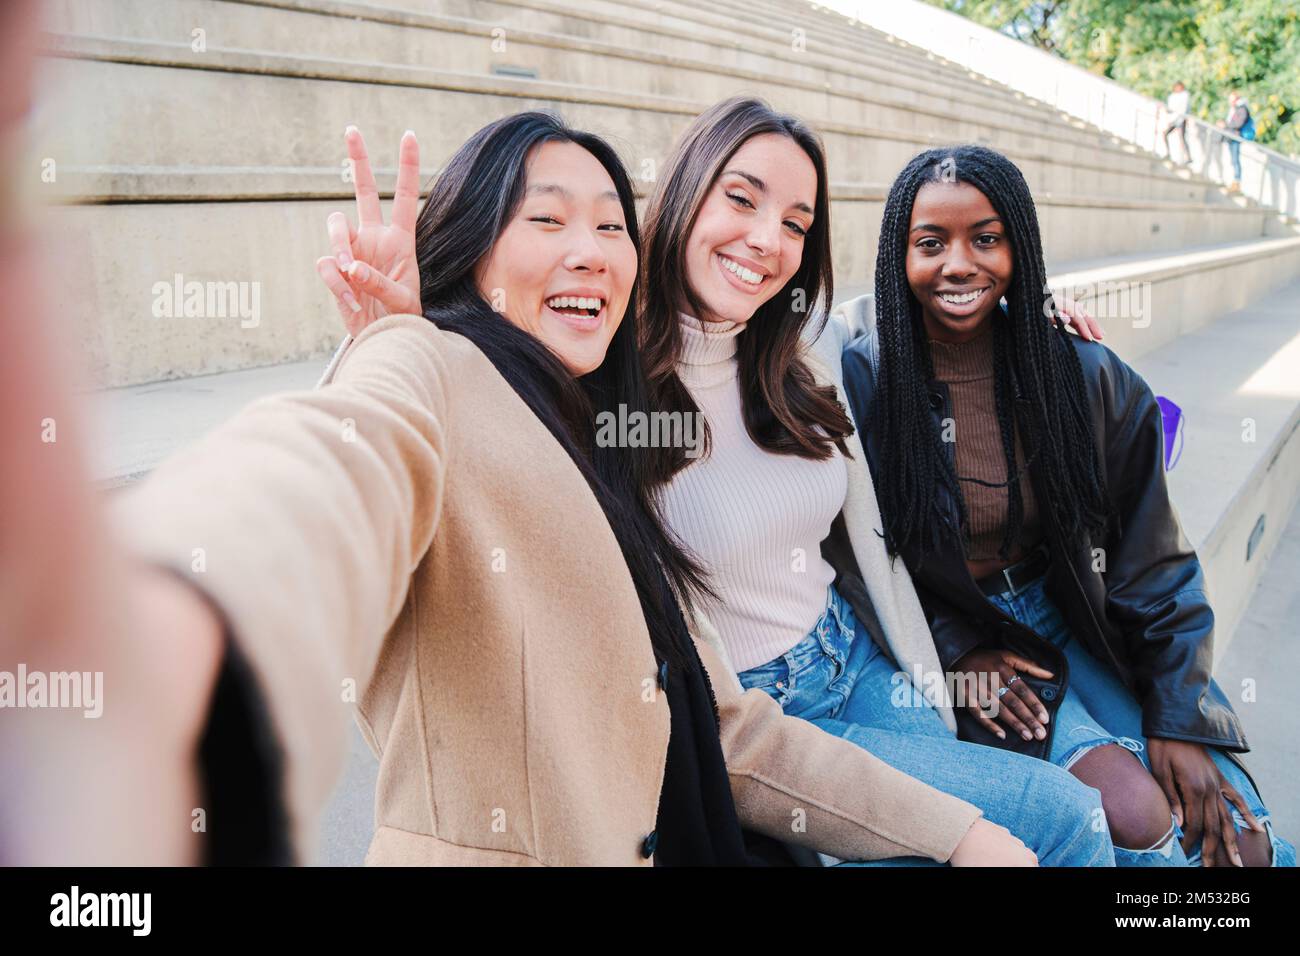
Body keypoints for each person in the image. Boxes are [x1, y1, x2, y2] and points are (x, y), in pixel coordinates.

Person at [107, 110, 1045, 867]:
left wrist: (963, 839)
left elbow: (735, 735)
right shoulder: (433, 372)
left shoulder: (596, 433)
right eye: (548, 221)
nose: (593, 249)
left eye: (608, 224)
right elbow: (330, 465)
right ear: (472, 248)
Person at [634, 96, 1115, 865]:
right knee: (1065, 819)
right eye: (742, 198)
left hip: (859, 659)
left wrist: (1024, 303)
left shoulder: (795, 355)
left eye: (795, 224)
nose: (767, 239)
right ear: (686, 189)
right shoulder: (606, 384)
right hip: (765, 715)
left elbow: (899, 307)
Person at [840, 143, 1296, 867]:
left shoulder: (1083, 375)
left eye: (986, 239)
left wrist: (1179, 718)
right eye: (931, 244)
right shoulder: (863, 384)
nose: (960, 263)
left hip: (1079, 609)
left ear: (1020, 250)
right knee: (1133, 812)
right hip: (965, 632)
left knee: (1237, 845)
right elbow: (862, 560)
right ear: (898, 258)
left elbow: (1156, 562)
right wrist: (957, 655)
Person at [1218, 91, 1253, 191]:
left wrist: (1226, 125)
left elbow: (1238, 123)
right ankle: (1234, 181)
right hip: (1230, 137)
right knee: (1233, 161)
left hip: (1235, 137)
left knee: (1235, 160)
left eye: (1232, 100)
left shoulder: (1242, 109)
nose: (1231, 102)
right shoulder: (1233, 109)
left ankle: (1237, 182)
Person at [1161, 81, 1190, 165]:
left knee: (1182, 138)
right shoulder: (1172, 96)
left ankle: (1188, 157)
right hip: (1174, 119)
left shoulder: (1185, 95)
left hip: (1181, 119)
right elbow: (1170, 109)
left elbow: (1183, 109)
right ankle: (1168, 153)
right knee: (1165, 134)